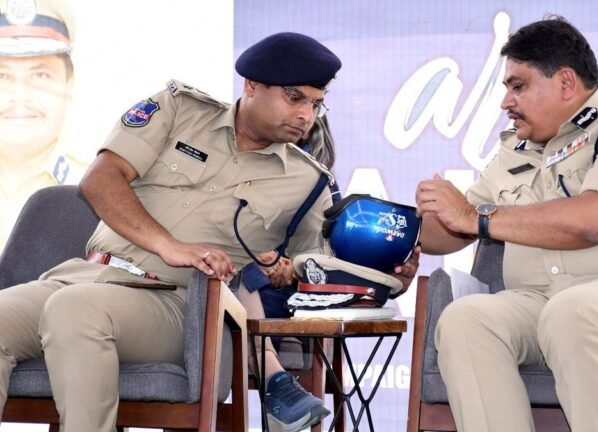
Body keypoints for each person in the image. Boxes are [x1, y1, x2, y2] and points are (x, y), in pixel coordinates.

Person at [0, 31, 419, 432]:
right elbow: (100, 179)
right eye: (295, 98)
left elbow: (324, 268)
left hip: (177, 305)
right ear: (251, 85)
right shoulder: (179, 109)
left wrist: (386, 275)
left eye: (316, 104)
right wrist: (169, 245)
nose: (306, 116)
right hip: (83, 276)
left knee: (76, 310)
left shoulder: (308, 181)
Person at [415, 16, 598, 432]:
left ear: (566, 82)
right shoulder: (516, 149)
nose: (506, 102)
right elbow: (455, 228)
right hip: (542, 303)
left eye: (518, 86)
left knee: (573, 313)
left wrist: (472, 216)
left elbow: (594, 221)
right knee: (467, 319)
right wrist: (415, 230)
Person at [0, 0, 84, 249]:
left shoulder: (109, 187)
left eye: (40, 75)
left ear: (69, 83)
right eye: (2, 76)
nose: (20, 96)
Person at [242, 114, 340, 327]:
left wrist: (292, 269)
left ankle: (267, 347)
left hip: (287, 291)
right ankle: (263, 347)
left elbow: (331, 256)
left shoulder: (320, 181)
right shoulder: (230, 159)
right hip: (236, 275)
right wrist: (253, 257)